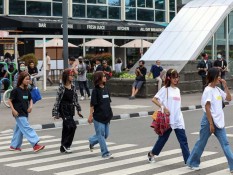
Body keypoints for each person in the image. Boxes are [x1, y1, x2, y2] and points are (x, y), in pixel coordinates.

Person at [187, 67, 233, 172]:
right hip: (209, 120)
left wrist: (225, 86)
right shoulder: (208, 90)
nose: (220, 78)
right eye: (219, 76)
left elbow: (229, 98)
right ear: (214, 77)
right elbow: (207, 107)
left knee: (225, 143)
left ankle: (232, 166)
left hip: (219, 122)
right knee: (201, 142)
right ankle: (193, 162)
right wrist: (211, 124)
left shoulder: (217, 89)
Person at [147, 68, 190, 164]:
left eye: (177, 77)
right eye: (174, 77)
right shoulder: (165, 89)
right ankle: (151, 154)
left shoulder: (178, 90)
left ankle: (188, 161)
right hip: (168, 120)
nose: (176, 79)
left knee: (183, 141)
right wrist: (163, 107)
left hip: (178, 119)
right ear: (169, 78)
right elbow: (154, 99)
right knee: (162, 139)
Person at [8, 71, 45, 152]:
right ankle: (35, 144)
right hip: (18, 113)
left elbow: (30, 99)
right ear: (21, 79)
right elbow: (9, 101)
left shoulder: (27, 90)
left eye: (29, 79)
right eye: (26, 79)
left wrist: (30, 106)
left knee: (19, 129)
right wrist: (13, 110)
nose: (28, 81)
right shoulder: (15, 90)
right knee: (26, 127)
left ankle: (14, 146)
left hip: (25, 113)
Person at [52, 69, 83, 153]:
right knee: (71, 126)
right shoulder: (61, 87)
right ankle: (66, 145)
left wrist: (78, 110)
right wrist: (55, 113)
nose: (72, 77)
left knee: (67, 127)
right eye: (70, 75)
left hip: (71, 108)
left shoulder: (73, 87)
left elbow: (75, 99)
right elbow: (57, 101)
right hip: (63, 109)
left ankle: (63, 146)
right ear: (66, 76)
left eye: (73, 75)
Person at [88, 71, 113, 159]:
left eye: (105, 76)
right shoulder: (95, 91)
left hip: (106, 116)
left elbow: (108, 102)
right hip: (98, 117)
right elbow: (92, 104)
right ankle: (105, 153)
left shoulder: (106, 88)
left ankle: (92, 140)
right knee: (101, 134)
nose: (105, 77)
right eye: (103, 76)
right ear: (98, 79)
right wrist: (90, 116)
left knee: (105, 135)